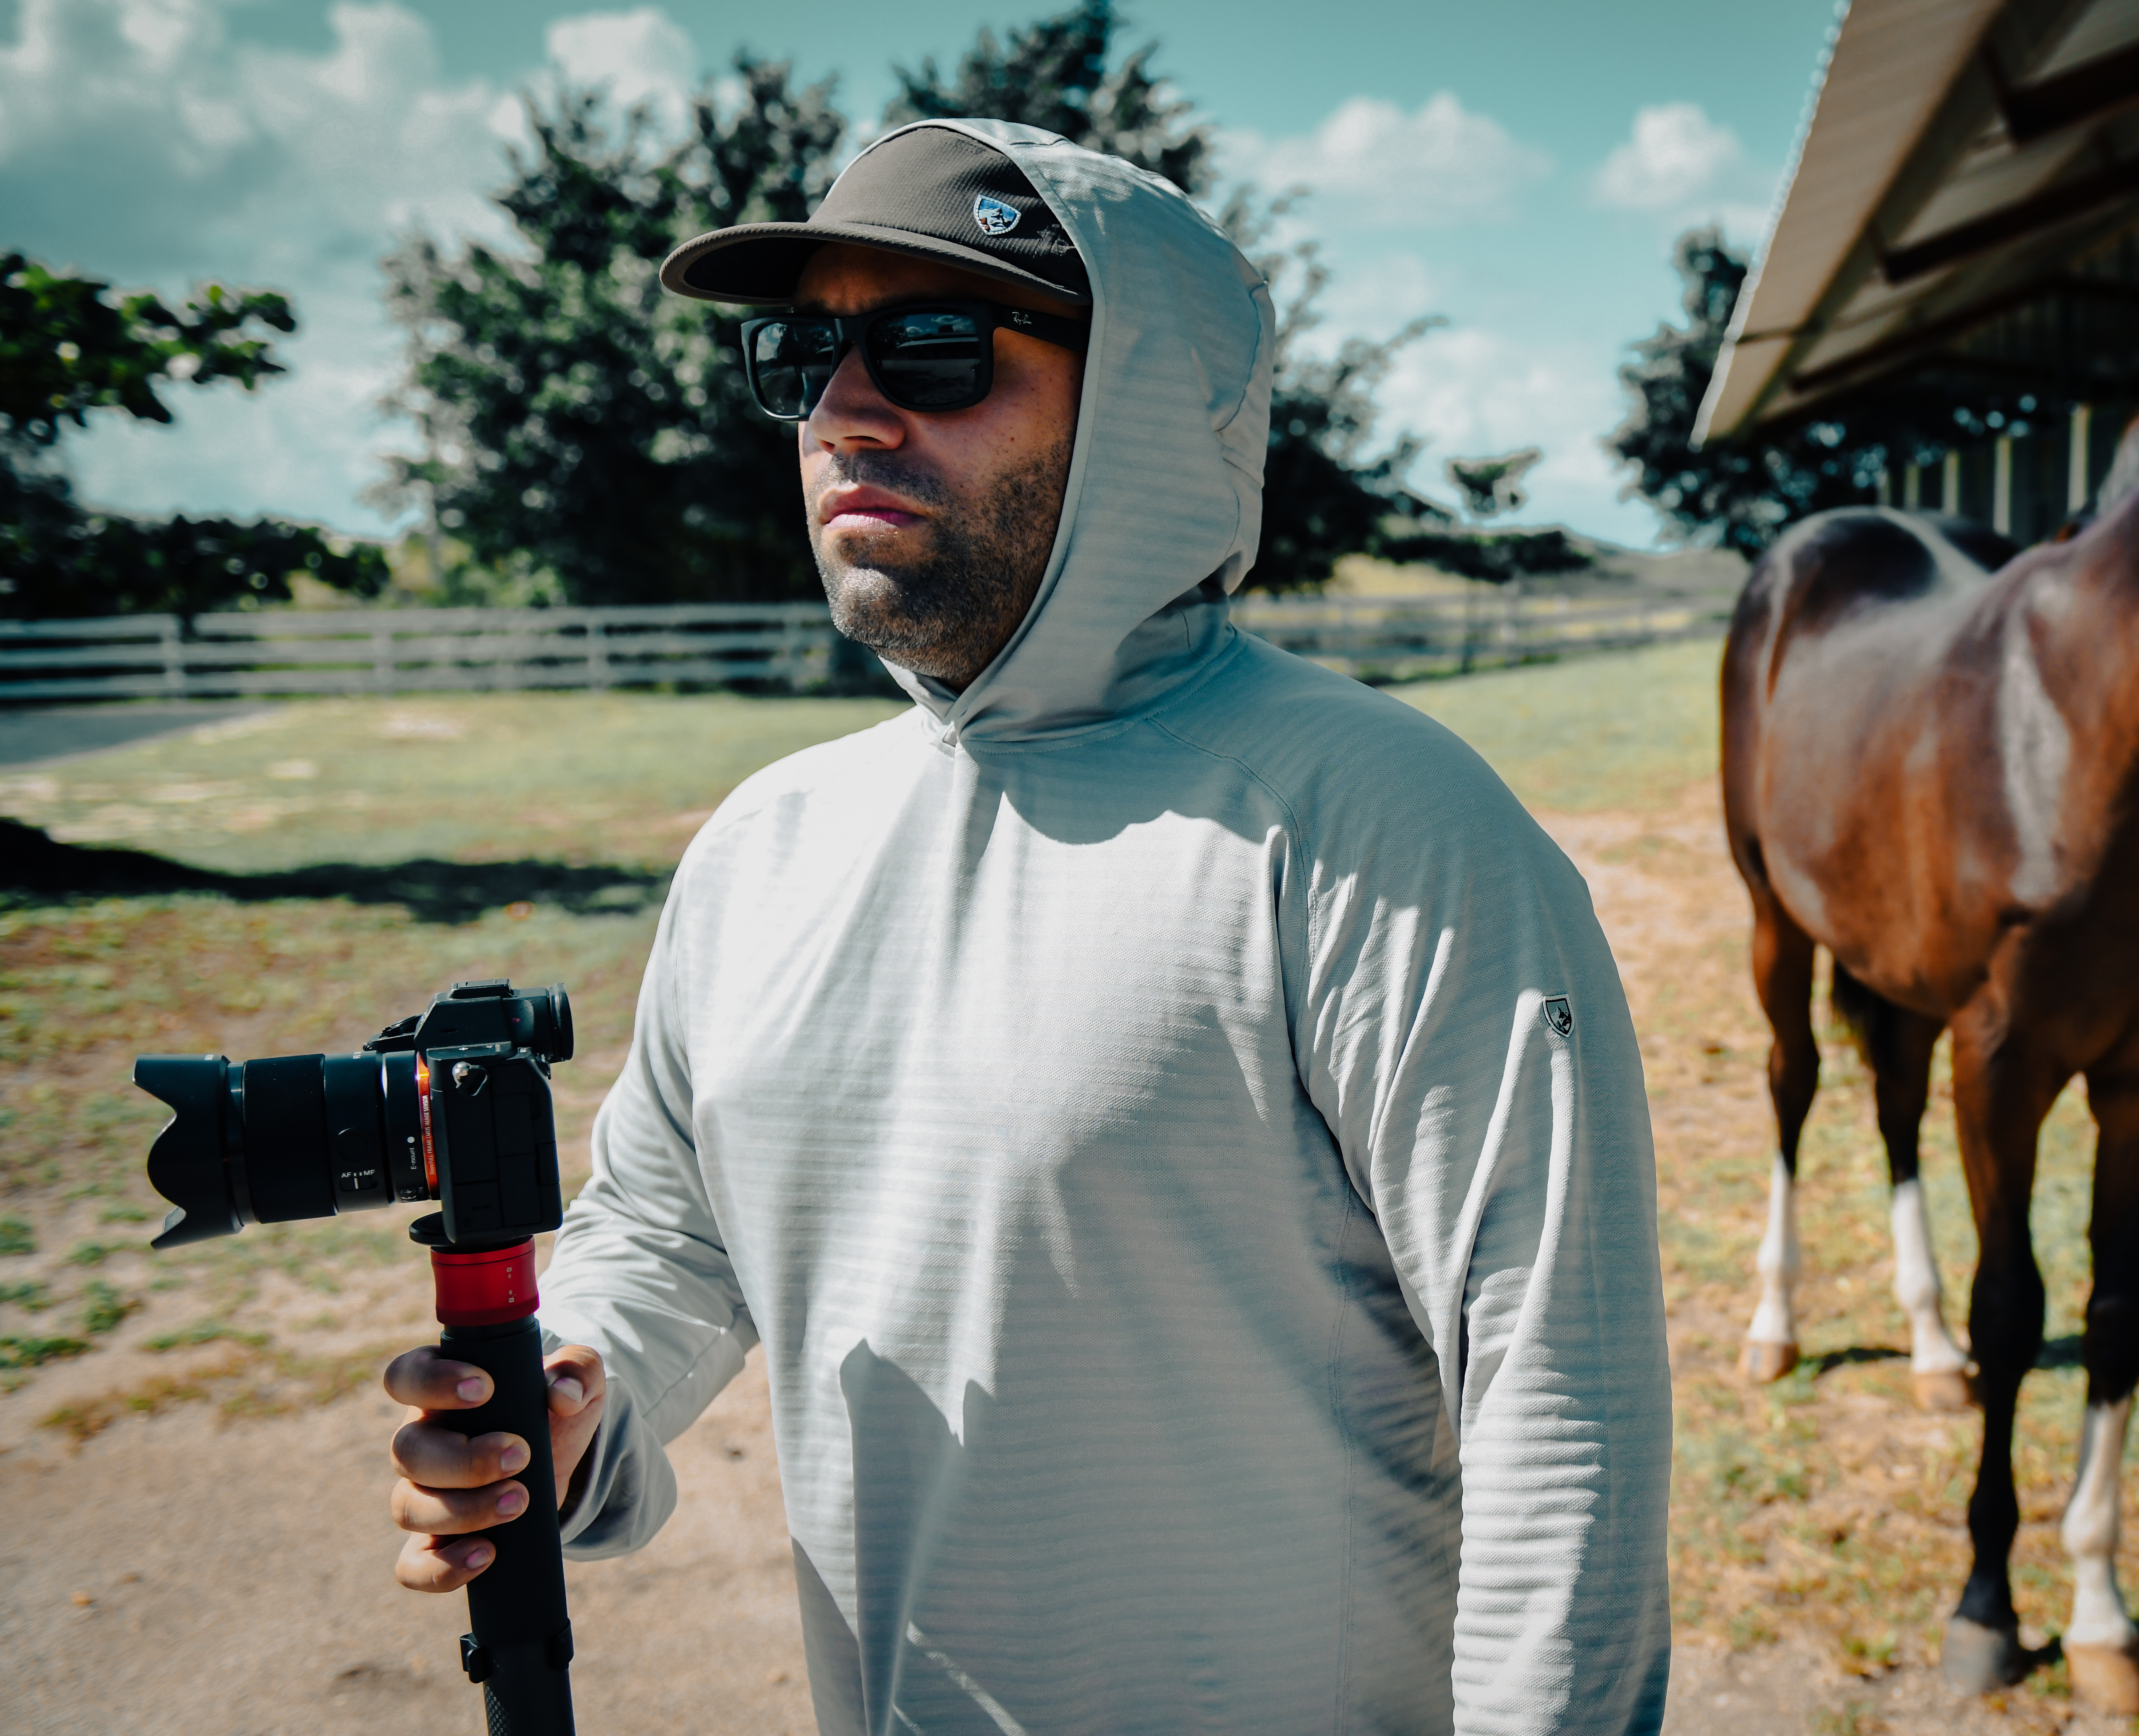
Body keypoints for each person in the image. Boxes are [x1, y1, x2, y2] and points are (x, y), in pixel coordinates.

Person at [379, 118, 1670, 1735]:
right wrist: (574, 1391)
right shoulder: (765, 845)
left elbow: (1564, 1402)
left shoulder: (1379, 818)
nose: (847, 405)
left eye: (930, 345)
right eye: (804, 351)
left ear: (1139, 399)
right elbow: (674, 1225)